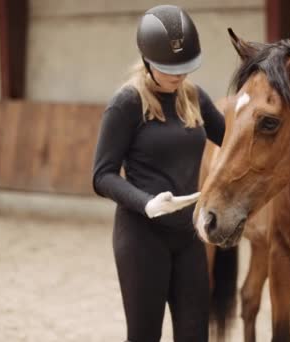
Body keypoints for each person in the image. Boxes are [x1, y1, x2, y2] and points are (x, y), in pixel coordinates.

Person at [91, 4, 225, 342]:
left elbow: (232, 143)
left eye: (184, 67)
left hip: (188, 237)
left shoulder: (194, 97)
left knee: (196, 335)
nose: (178, 75)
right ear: (148, 60)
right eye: (169, 68)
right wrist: (147, 203)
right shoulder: (126, 104)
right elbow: (102, 175)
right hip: (141, 238)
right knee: (144, 335)